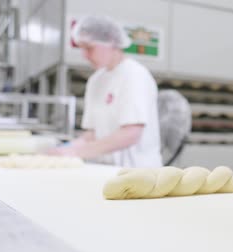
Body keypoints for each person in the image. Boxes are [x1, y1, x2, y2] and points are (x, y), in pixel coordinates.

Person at [48, 15, 162, 168]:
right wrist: (64, 149)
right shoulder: (95, 81)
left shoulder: (135, 75)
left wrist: (76, 152)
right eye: (82, 49)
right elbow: (92, 134)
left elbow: (131, 134)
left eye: (89, 48)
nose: (84, 55)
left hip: (138, 172)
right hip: (105, 169)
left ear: (111, 42)